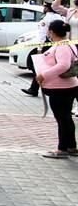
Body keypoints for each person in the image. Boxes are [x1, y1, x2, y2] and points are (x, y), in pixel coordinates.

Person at [34, 19, 78, 158]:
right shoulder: (67, 43)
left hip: (61, 88)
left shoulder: (62, 46)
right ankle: (71, 146)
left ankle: (62, 149)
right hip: (66, 86)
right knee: (65, 118)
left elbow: (63, 65)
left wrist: (44, 75)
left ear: (51, 32)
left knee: (62, 118)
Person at [22, 0, 65, 97]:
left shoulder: (46, 19)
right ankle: (34, 88)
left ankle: (34, 88)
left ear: (47, 8)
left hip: (48, 45)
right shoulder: (59, 17)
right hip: (59, 43)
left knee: (41, 67)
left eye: (44, 6)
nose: (43, 8)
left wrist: (39, 48)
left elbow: (42, 34)